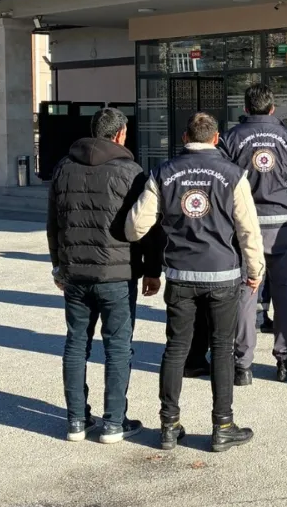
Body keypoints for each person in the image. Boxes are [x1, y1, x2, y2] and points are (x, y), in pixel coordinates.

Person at [126, 112, 264, 453]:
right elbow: (248, 229)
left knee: (176, 348)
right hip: (222, 274)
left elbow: (135, 227)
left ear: (185, 137)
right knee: (222, 348)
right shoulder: (233, 174)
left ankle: (169, 425)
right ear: (216, 139)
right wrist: (255, 269)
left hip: (181, 275)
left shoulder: (163, 172)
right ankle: (222, 426)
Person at [47, 107, 161, 444]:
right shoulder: (130, 171)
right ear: (121, 134)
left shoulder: (63, 167)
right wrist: (152, 270)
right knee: (118, 347)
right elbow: (147, 226)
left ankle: (76, 420)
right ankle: (113, 422)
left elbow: (54, 223)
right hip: (117, 273)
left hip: (75, 273)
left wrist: (58, 265)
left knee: (75, 344)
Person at [219, 84, 287, 383]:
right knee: (282, 291)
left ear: (245, 108)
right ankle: (285, 360)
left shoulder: (231, 139)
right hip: (281, 225)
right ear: (272, 108)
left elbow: (222, 184)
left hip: (244, 226)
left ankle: (242, 365)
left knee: (247, 291)